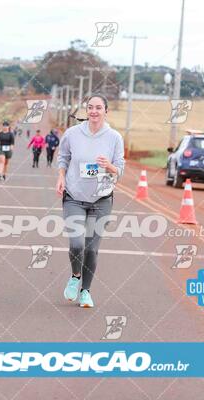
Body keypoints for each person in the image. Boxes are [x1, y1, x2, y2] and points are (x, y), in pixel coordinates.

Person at [56, 94, 125, 308]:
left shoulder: (114, 137)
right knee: (77, 244)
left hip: (102, 200)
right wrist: (60, 176)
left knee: (92, 249)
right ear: (86, 111)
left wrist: (110, 166)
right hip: (74, 197)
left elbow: (120, 169)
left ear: (106, 111)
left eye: (98, 107)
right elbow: (63, 157)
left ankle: (85, 291)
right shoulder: (73, 133)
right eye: (90, 107)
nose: (94, 111)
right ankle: (75, 275)